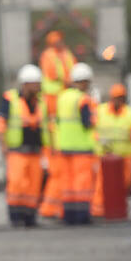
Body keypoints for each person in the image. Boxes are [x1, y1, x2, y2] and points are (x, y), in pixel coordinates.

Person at [0, 64, 44, 227]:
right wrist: (3, 143)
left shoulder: (40, 102)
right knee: (17, 184)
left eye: (38, 83)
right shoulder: (10, 98)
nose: (37, 87)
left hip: (35, 151)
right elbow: (0, 121)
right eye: (34, 83)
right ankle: (16, 216)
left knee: (33, 186)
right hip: (17, 151)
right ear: (25, 84)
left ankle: (30, 217)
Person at [38, 30, 76, 219]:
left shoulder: (68, 55)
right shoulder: (48, 56)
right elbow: (53, 74)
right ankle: (52, 208)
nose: (59, 44)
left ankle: (59, 207)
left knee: (64, 174)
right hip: (56, 131)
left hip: (63, 129)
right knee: (58, 173)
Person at [91, 84, 131, 217]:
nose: (118, 101)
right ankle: (98, 210)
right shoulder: (101, 111)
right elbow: (93, 129)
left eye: (120, 98)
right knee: (101, 184)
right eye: (116, 98)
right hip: (104, 156)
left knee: (123, 185)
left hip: (124, 156)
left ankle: (118, 208)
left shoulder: (130, 114)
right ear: (111, 98)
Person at [56, 62, 96, 225]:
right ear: (85, 81)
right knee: (82, 183)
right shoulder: (83, 99)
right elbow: (88, 123)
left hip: (64, 146)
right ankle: (82, 215)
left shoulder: (62, 97)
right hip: (81, 148)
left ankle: (69, 215)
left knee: (67, 184)